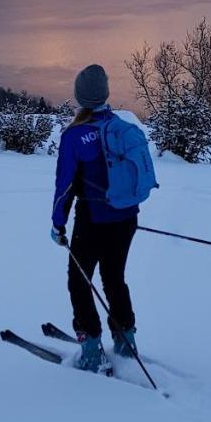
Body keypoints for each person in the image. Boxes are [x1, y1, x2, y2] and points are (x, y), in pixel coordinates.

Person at [51, 64, 140, 373]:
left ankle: (91, 348)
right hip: (127, 218)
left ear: (80, 97)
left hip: (93, 221)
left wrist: (57, 224)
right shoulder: (121, 127)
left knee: (79, 280)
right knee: (114, 278)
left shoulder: (75, 136)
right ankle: (126, 339)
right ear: (105, 95)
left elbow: (64, 187)